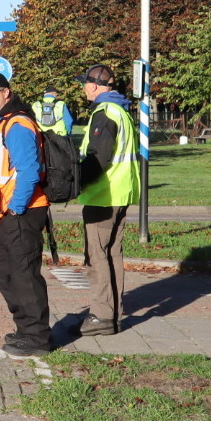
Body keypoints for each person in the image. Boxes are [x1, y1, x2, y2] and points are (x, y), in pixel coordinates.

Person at [0, 71, 51, 355]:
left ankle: (37, 337)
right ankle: (25, 328)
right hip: (4, 214)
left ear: (6, 92)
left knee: (24, 274)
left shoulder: (17, 125)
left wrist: (16, 209)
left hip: (23, 210)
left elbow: (29, 172)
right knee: (2, 269)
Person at [74, 65, 140, 336]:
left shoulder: (104, 113)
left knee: (97, 256)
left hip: (104, 195)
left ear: (94, 86)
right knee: (112, 254)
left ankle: (101, 316)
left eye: (84, 84)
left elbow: (98, 158)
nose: (82, 88)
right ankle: (112, 314)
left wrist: (74, 182)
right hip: (120, 193)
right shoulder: (120, 111)